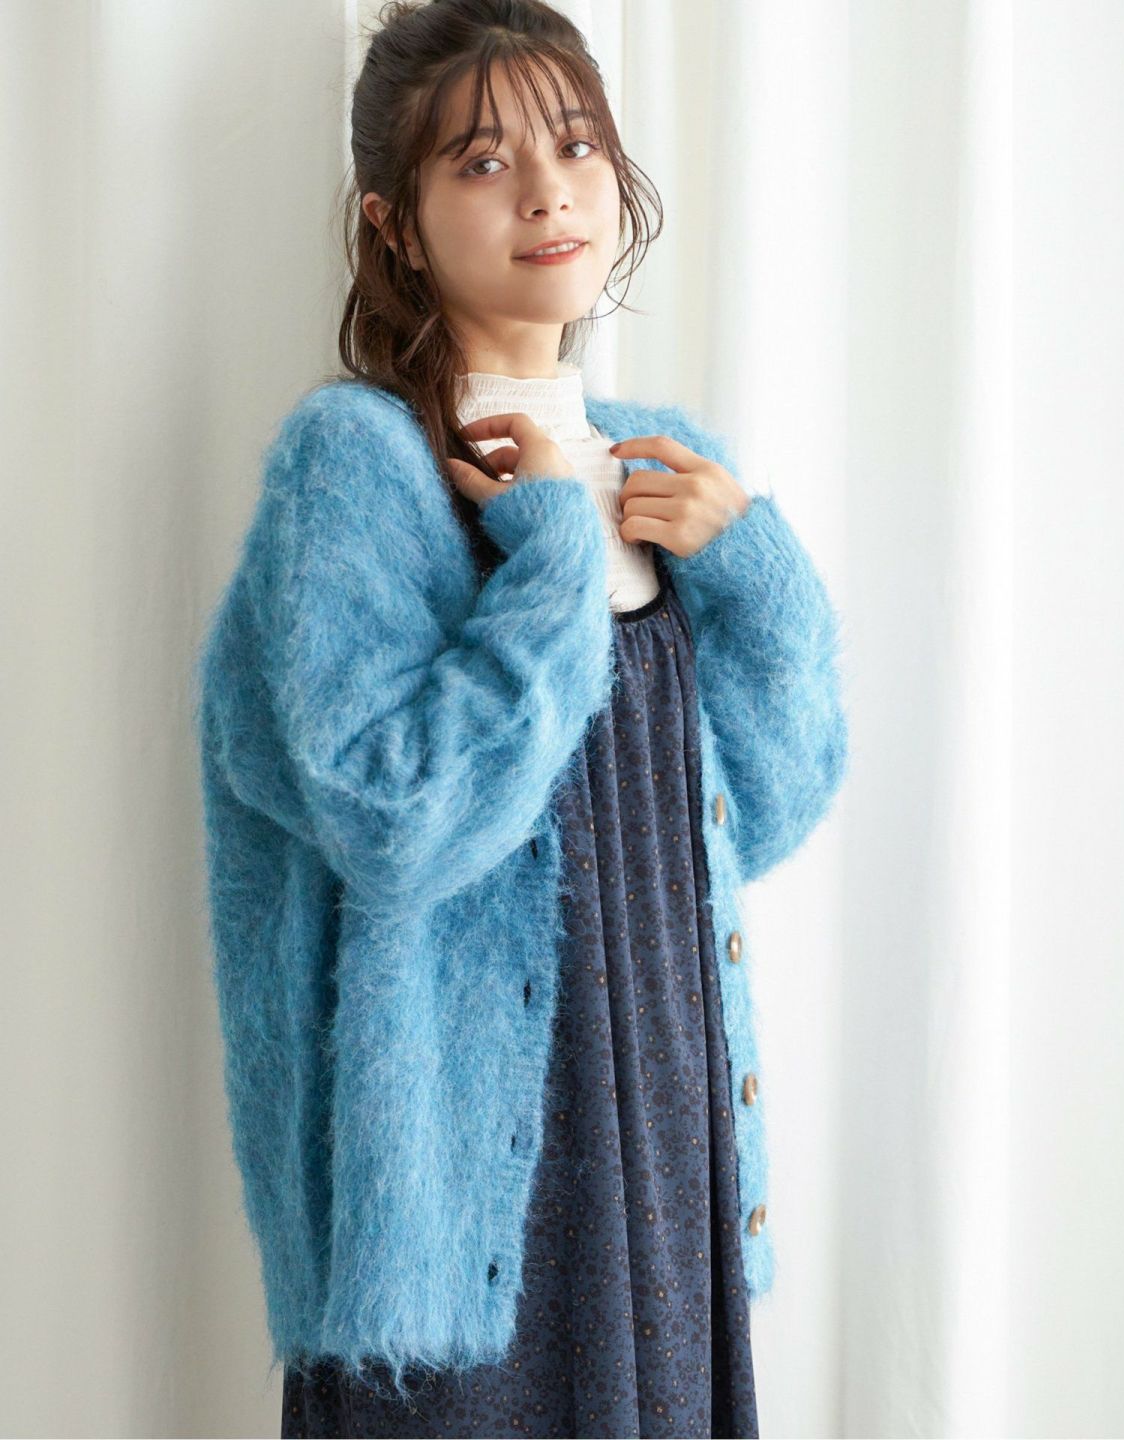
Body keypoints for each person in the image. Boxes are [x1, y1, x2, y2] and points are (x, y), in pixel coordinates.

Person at [193, 1, 850, 1435]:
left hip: (662, 1145)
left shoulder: (661, 464)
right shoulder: (357, 464)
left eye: (576, 144)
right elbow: (396, 822)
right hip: (466, 1207)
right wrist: (554, 559)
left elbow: (757, 812)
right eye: (483, 161)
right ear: (395, 223)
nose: (549, 190)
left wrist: (755, 567)